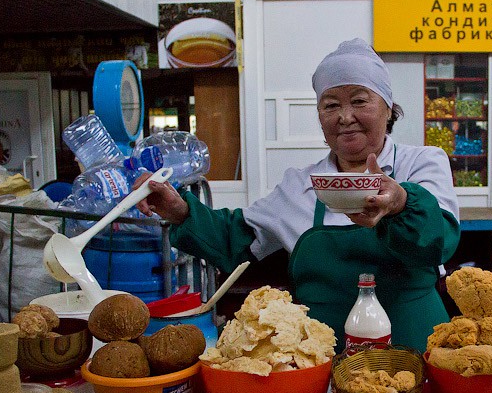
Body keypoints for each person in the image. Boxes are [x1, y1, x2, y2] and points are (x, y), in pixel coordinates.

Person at [135, 38, 460, 352]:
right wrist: (179, 209)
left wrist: (400, 203)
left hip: (414, 348)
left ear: (388, 108)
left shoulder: (421, 163)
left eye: (359, 101)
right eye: (331, 105)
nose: (345, 117)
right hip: (317, 357)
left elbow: (439, 241)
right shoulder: (300, 184)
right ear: (320, 116)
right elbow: (235, 236)